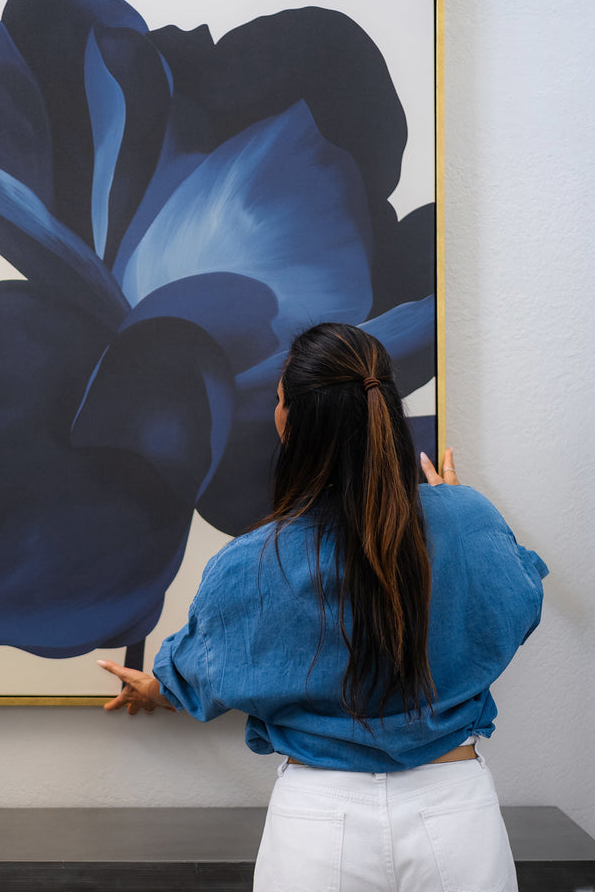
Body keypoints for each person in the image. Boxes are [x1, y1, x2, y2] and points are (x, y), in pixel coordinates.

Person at [98, 322, 548, 892]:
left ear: (294, 425)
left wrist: (154, 688)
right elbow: (520, 600)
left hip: (318, 824)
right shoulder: (466, 519)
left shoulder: (253, 562)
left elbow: (202, 674)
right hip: (455, 818)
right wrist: (458, 512)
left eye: (279, 397)